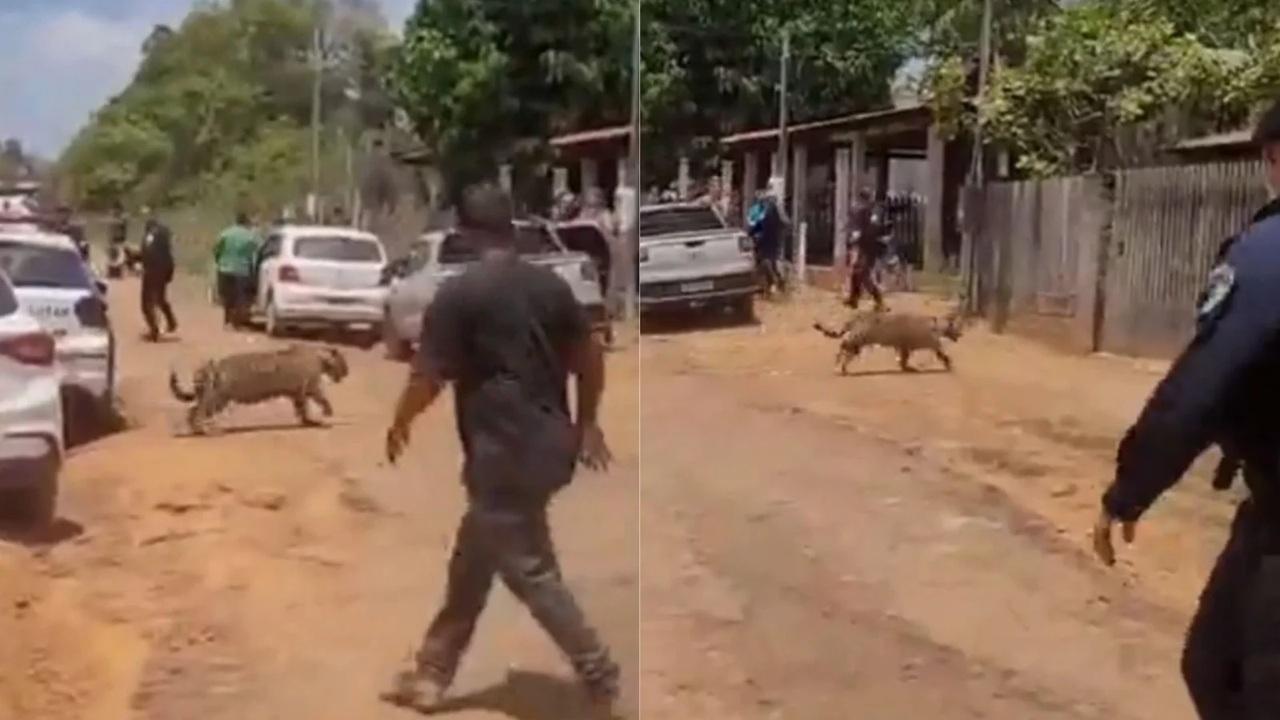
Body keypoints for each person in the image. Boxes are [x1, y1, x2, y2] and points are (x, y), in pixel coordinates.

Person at [382, 183, 619, 711]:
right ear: (511, 228)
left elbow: (427, 377)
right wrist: (588, 423)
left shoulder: (461, 294)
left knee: (530, 569)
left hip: (501, 451)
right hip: (549, 445)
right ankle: (431, 672)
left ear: (463, 233)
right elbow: (591, 356)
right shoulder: (550, 286)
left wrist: (400, 422)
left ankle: (599, 670)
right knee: (473, 561)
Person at [1092, 97, 1280, 719]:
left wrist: (1129, 487)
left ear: (1274, 158)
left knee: (1237, 681)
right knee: (1214, 665)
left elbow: (1200, 388)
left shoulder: (1269, 254)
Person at [212, 212, 260, 329]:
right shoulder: (250, 236)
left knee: (228, 297)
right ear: (246, 222)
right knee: (240, 297)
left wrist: (219, 261)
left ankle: (227, 321)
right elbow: (257, 252)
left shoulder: (225, 233)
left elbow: (216, 249)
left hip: (224, 268)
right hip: (242, 270)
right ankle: (237, 323)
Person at [845, 187, 889, 310]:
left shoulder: (873, 211)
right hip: (865, 245)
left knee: (862, 274)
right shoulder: (865, 210)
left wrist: (857, 235)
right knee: (857, 273)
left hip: (871, 246)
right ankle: (854, 299)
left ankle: (879, 301)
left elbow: (874, 228)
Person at [138, 212, 178, 341]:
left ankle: (154, 330)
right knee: (160, 298)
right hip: (164, 270)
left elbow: (147, 252)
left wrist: (137, 258)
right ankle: (171, 321)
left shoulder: (150, 236)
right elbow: (168, 255)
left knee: (146, 303)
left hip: (152, 271)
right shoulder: (164, 236)